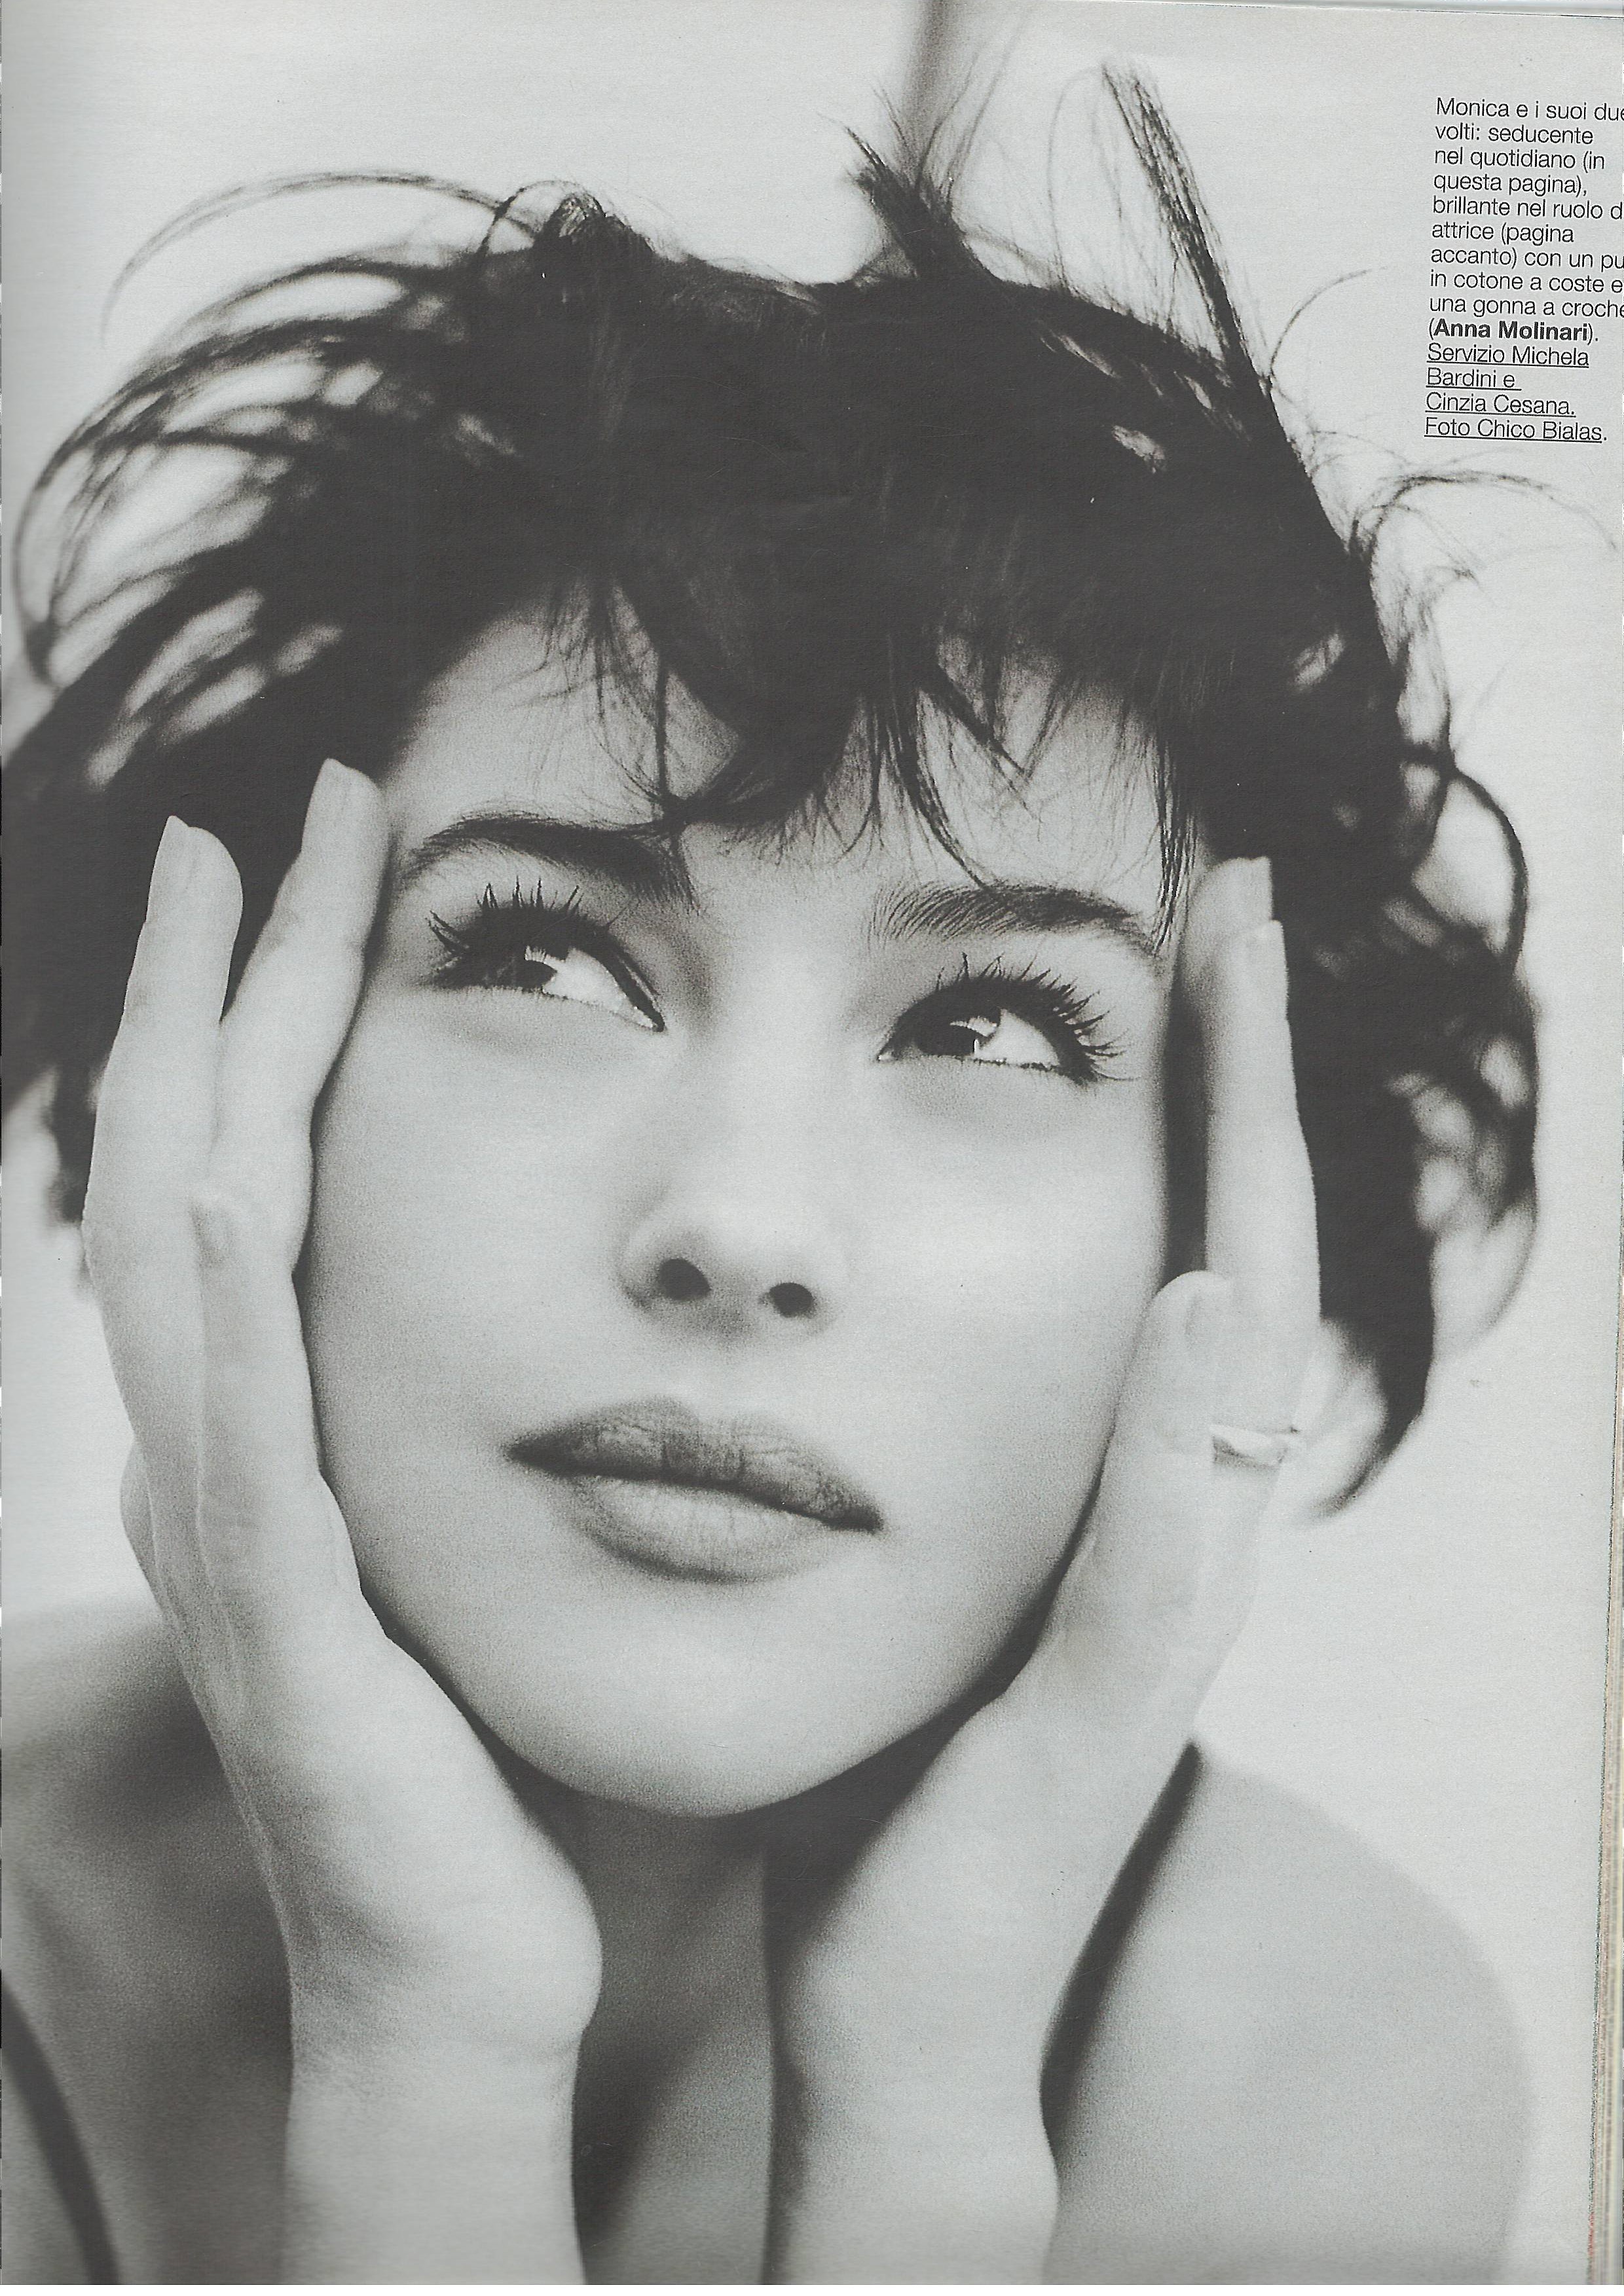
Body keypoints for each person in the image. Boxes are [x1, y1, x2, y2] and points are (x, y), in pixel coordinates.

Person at [4, 78, 1537, 2283]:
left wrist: (923, 2119)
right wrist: (426, 2045)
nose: (738, 1224)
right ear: (246, 1063)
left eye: (989, 1026)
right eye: (544, 956)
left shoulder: (1304, 2072)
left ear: (1221, 1219)